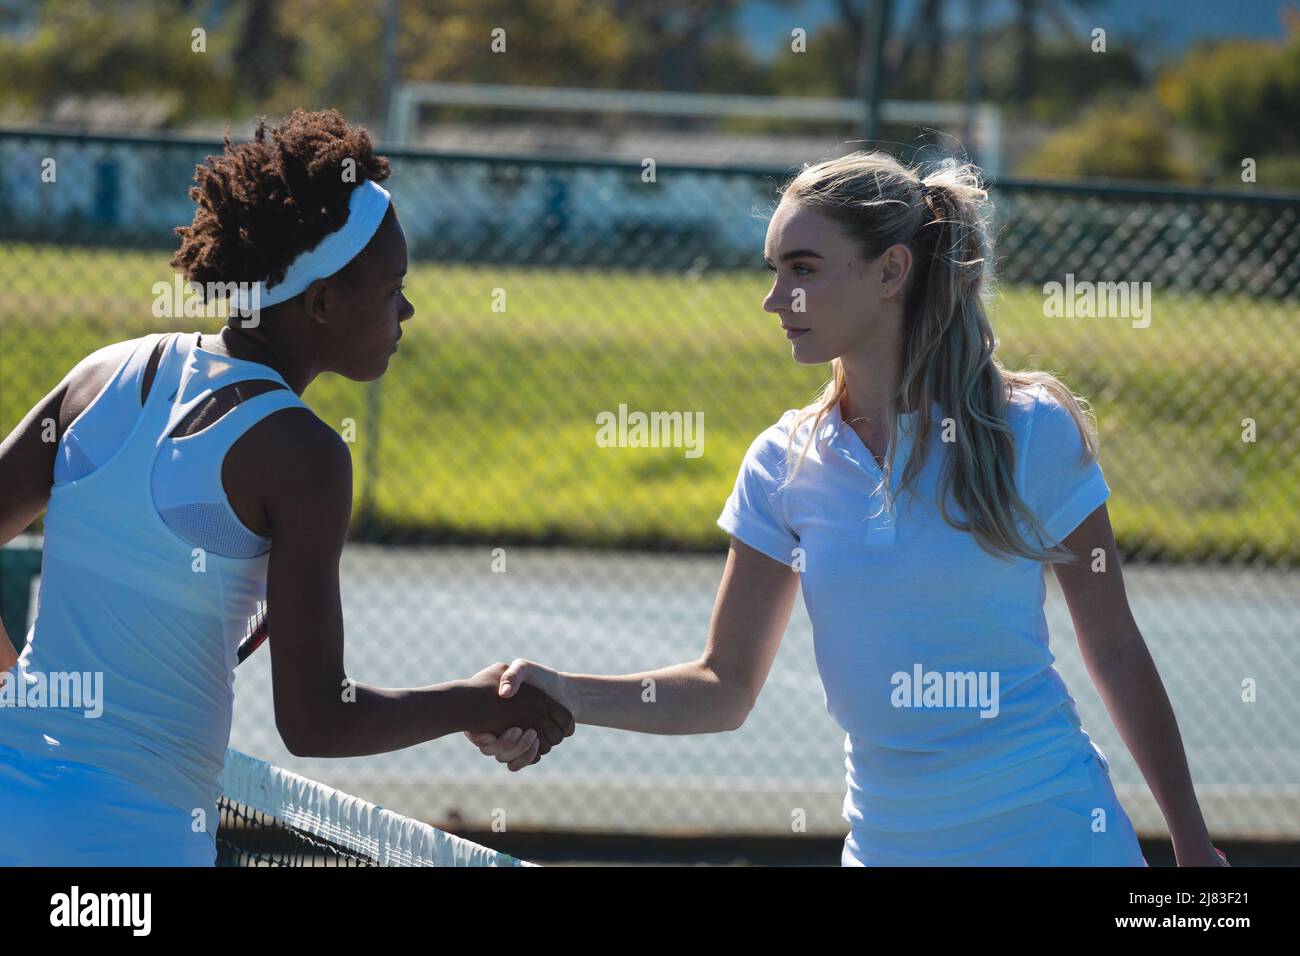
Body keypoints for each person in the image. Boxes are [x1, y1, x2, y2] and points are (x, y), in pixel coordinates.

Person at [467, 150, 1228, 867]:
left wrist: (1193, 847)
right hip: (886, 848)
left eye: (802, 269)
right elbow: (724, 686)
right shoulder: (781, 462)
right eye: (774, 270)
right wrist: (566, 693)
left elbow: (1115, 648)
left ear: (891, 270)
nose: (774, 299)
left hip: (1054, 834)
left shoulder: (1032, 430)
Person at [0, 108, 573, 866]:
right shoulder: (305, 456)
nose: (406, 309)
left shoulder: (101, 373)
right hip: (130, 844)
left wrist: (21, 690)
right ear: (322, 302)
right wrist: (475, 703)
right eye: (394, 288)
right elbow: (316, 721)